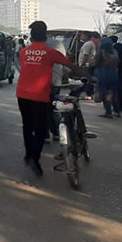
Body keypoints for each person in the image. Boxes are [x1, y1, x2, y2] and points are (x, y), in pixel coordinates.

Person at [17, 21, 73, 176]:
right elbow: (70, 66)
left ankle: (28, 154)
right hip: (40, 95)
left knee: (27, 125)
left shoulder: (23, 52)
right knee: (41, 130)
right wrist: (89, 76)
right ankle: (35, 158)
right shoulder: (50, 52)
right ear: (45, 36)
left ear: (31, 36)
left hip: (22, 94)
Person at [94, 38, 120, 118]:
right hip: (114, 73)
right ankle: (116, 111)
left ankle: (108, 112)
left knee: (104, 92)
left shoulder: (101, 52)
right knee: (113, 92)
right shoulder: (115, 52)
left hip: (103, 74)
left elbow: (95, 62)